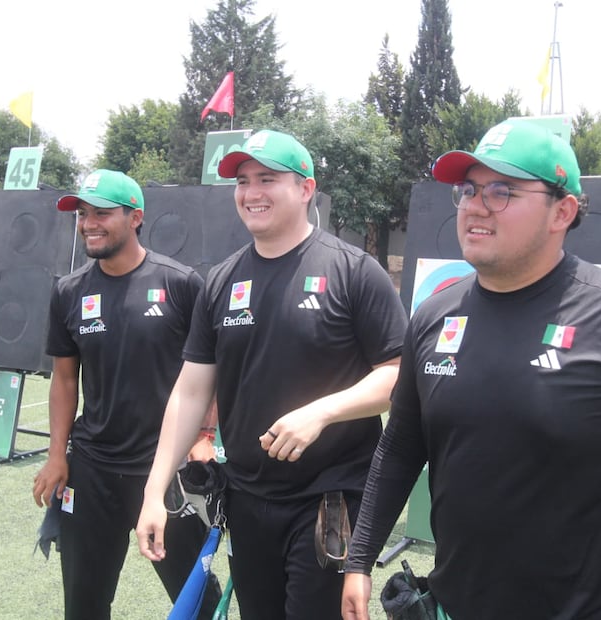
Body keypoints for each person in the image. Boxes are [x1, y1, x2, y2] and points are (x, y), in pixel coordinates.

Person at [342, 120, 601, 619]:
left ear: (562, 211)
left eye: (502, 191)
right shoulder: (434, 317)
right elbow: (400, 447)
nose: (475, 206)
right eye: (469, 189)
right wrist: (359, 559)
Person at [135, 129, 409, 619]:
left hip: (329, 501)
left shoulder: (353, 271)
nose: (251, 192)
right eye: (242, 180)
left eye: (267, 178)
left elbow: (398, 375)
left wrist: (322, 413)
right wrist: (155, 490)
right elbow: (192, 390)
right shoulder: (220, 280)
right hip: (246, 499)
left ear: (306, 188)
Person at [31, 169, 221, 620]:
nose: (88, 224)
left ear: (135, 217)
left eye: (101, 213)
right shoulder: (69, 291)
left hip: (166, 468)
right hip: (92, 470)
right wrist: (58, 453)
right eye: (82, 215)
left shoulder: (180, 284)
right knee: (83, 602)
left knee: (198, 600)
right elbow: (64, 379)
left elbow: (211, 371)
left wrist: (204, 434)